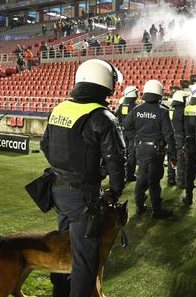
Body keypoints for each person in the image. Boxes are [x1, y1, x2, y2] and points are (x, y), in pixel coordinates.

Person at [40, 59, 126, 297]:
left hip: (57, 189)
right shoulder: (102, 117)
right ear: (105, 84)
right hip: (83, 196)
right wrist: (114, 190)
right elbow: (117, 162)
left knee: (62, 246)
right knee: (85, 259)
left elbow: (45, 146)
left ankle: (59, 292)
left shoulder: (59, 108)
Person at [123, 80, 176, 219]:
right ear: (159, 94)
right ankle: (157, 210)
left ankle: (140, 206)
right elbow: (169, 134)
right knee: (154, 180)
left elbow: (126, 125)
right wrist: (173, 154)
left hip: (140, 148)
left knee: (141, 176)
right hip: (155, 151)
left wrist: (136, 137)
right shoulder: (162, 111)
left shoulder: (137, 109)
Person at [116, 86, 139, 182]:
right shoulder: (136, 106)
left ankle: (122, 174)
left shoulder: (122, 105)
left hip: (123, 132)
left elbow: (118, 117)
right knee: (132, 154)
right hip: (133, 133)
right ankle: (130, 175)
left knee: (123, 153)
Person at [168, 91, 188, 187]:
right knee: (181, 159)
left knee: (171, 157)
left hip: (170, 136)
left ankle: (171, 179)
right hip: (180, 136)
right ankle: (181, 182)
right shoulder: (183, 110)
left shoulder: (170, 109)